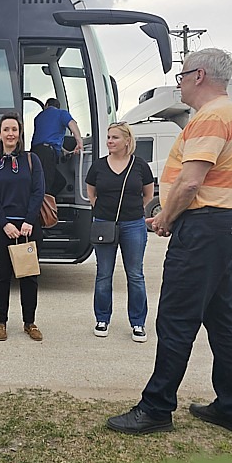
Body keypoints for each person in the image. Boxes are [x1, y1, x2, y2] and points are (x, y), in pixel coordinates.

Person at [107, 48, 232, 435]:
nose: (180, 84)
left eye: (182, 77)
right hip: (218, 223)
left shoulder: (211, 117)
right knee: (222, 318)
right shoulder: (227, 113)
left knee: (175, 319)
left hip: (203, 228)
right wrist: (171, 212)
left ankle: (156, 408)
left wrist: (168, 218)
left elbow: (191, 181)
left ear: (199, 75)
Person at [86, 122, 154, 342]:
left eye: (114, 137)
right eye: (108, 137)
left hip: (133, 224)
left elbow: (148, 195)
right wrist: (102, 211)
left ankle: (138, 323)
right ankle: (102, 318)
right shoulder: (98, 166)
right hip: (104, 223)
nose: (109, 141)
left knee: (135, 275)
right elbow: (92, 193)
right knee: (103, 274)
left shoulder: (140, 165)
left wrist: (131, 211)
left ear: (127, 140)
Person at [0, 113, 45, 342]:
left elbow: (38, 192)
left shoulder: (32, 160)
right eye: (6, 130)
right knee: (1, 276)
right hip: (2, 229)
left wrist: (28, 220)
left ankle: (30, 322)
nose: (10, 134)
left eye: (14, 129)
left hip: (28, 228)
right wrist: (5, 224)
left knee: (29, 276)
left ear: (19, 134)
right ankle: (1, 322)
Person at [30, 98, 83, 196]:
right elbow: (72, 124)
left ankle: (48, 205)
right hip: (47, 155)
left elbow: (47, 137)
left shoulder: (38, 117)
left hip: (36, 153)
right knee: (46, 186)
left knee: (59, 182)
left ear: (46, 105)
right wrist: (79, 141)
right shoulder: (61, 113)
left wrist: (63, 151)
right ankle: (43, 208)